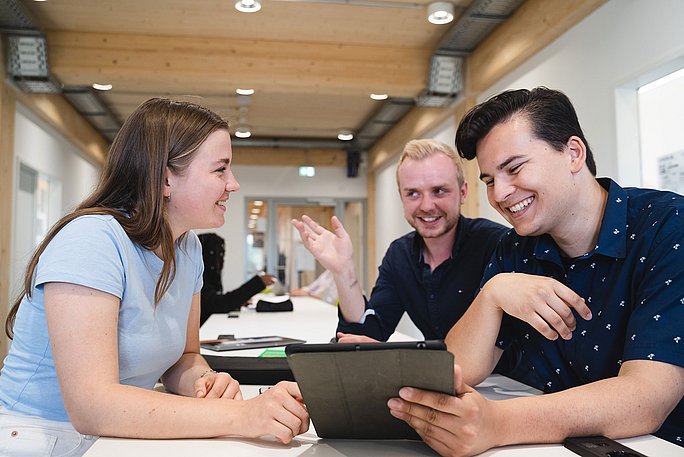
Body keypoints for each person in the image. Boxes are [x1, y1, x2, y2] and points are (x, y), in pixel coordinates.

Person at [0, 98, 308, 456]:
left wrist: (204, 382)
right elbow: (92, 407)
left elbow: (185, 356)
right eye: (220, 170)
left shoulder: (188, 247)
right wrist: (239, 414)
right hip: (44, 438)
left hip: (118, 437)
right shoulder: (91, 240)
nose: (233, 184)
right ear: (165, 178)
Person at [387, 87, 684, 455]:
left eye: (513, 168)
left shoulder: (669, 228)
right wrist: (492, 294)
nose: (501, 194)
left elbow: (646, 397)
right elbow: (455, 369)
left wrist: (497, 423)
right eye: (490, 180)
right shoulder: (515, 247)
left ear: (573, 153)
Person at [291, 139, 507, 343]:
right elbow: (367, 336)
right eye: (413, 193)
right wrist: (343, 272)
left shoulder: (498, 245)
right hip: (440, 378)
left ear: (463, 192)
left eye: (439, 191)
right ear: (401, 197)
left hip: (508, 382)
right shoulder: (400, 255)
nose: (427, 205)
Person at [197, 232, 275, 325]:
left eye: (222, 255)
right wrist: (258, 283)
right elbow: (217, 304)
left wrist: (237, 302)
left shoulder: (208, 275)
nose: (222, 261)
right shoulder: (197, 277)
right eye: (218, 255)